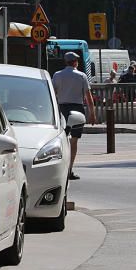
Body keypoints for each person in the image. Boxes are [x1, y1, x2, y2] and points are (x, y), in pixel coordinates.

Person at [52, 52, 96, 180]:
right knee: (74, 140)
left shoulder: (57, 75)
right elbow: (88, 96)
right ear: (75, 62)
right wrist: (92, 114)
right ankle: (69, 169)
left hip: (62, 109)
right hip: (77, 108)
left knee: (61, 138)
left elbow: (53, 93)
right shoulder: (81, 76)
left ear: (66, 62)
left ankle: (60, 169)